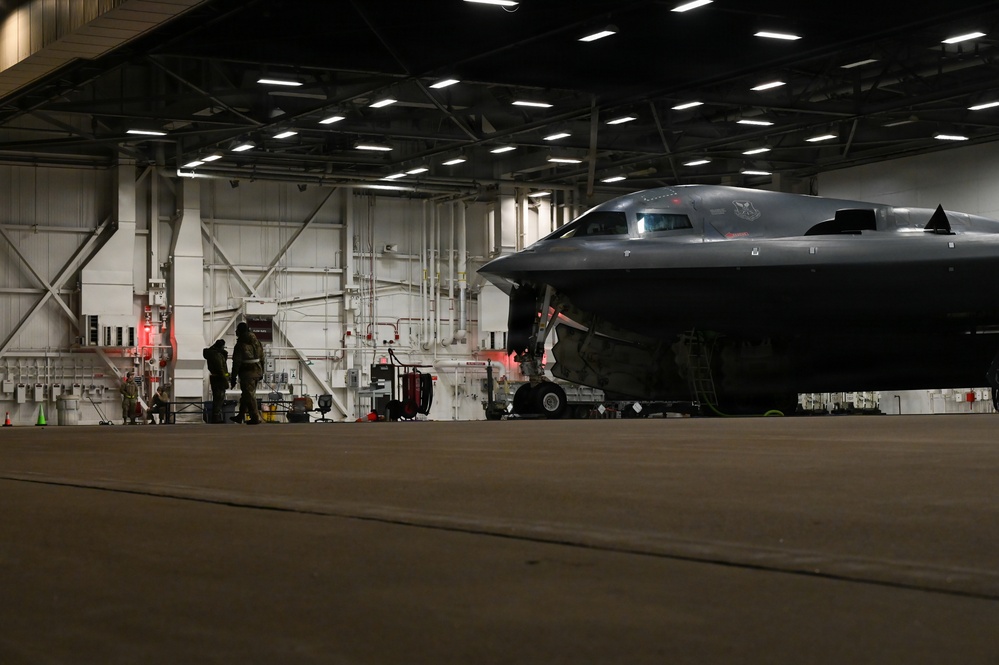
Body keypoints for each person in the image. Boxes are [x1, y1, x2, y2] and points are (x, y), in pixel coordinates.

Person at [230, 322, 263, 425]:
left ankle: (255, 417)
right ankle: (240, 416)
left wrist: (233, 377)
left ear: (239, 331)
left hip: (247, 373)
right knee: (246, 395)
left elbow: (236, 362)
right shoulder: (257, 342)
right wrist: (262, 371)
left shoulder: (240, 345)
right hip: (257, 370)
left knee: (249, 395)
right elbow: (262, 357)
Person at [203, 339, 230, 423]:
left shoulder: (211, 353)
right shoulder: (217, 355)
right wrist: (226, 380)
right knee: (219, 397)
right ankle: (216, 417)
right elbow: (221, 369)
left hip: (215, 377)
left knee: (217, 397)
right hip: (219, 378)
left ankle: (216, 416)